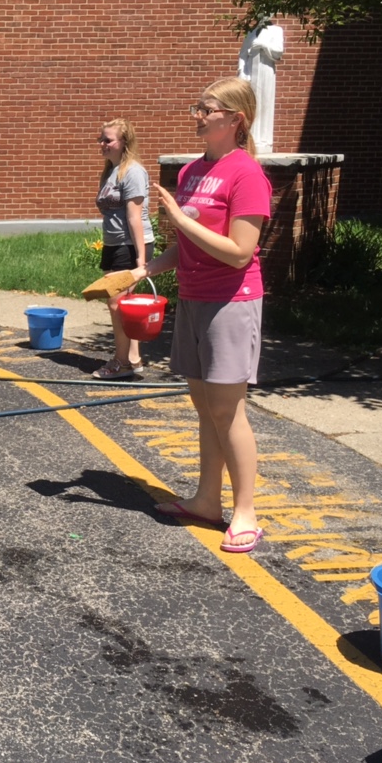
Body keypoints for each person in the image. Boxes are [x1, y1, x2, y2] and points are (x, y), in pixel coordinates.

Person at [138, 77, 273, 554]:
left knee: (227, 410)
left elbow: (239, 252)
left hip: (231, 302)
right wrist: (145, 269)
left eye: (206, 108)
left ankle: (245, 512)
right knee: (204, 406)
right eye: (197, 106)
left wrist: (179, 219)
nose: (196, 115)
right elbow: (189, 244)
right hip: (195, 299)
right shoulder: (193, 171)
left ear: (235, 119)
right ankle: (206, 501)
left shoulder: (247, 175)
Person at [91, 117, 154, 379]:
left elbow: (134, 217)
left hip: (130, 245)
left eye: (108, 140)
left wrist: (141, 259)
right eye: (101, 139)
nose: (102, 144)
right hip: (114, 244)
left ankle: (121, 362)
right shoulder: (111, 171)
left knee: (116, 303)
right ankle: (133, 358)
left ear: (124, 141)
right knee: (123, 304)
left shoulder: (133, 172)